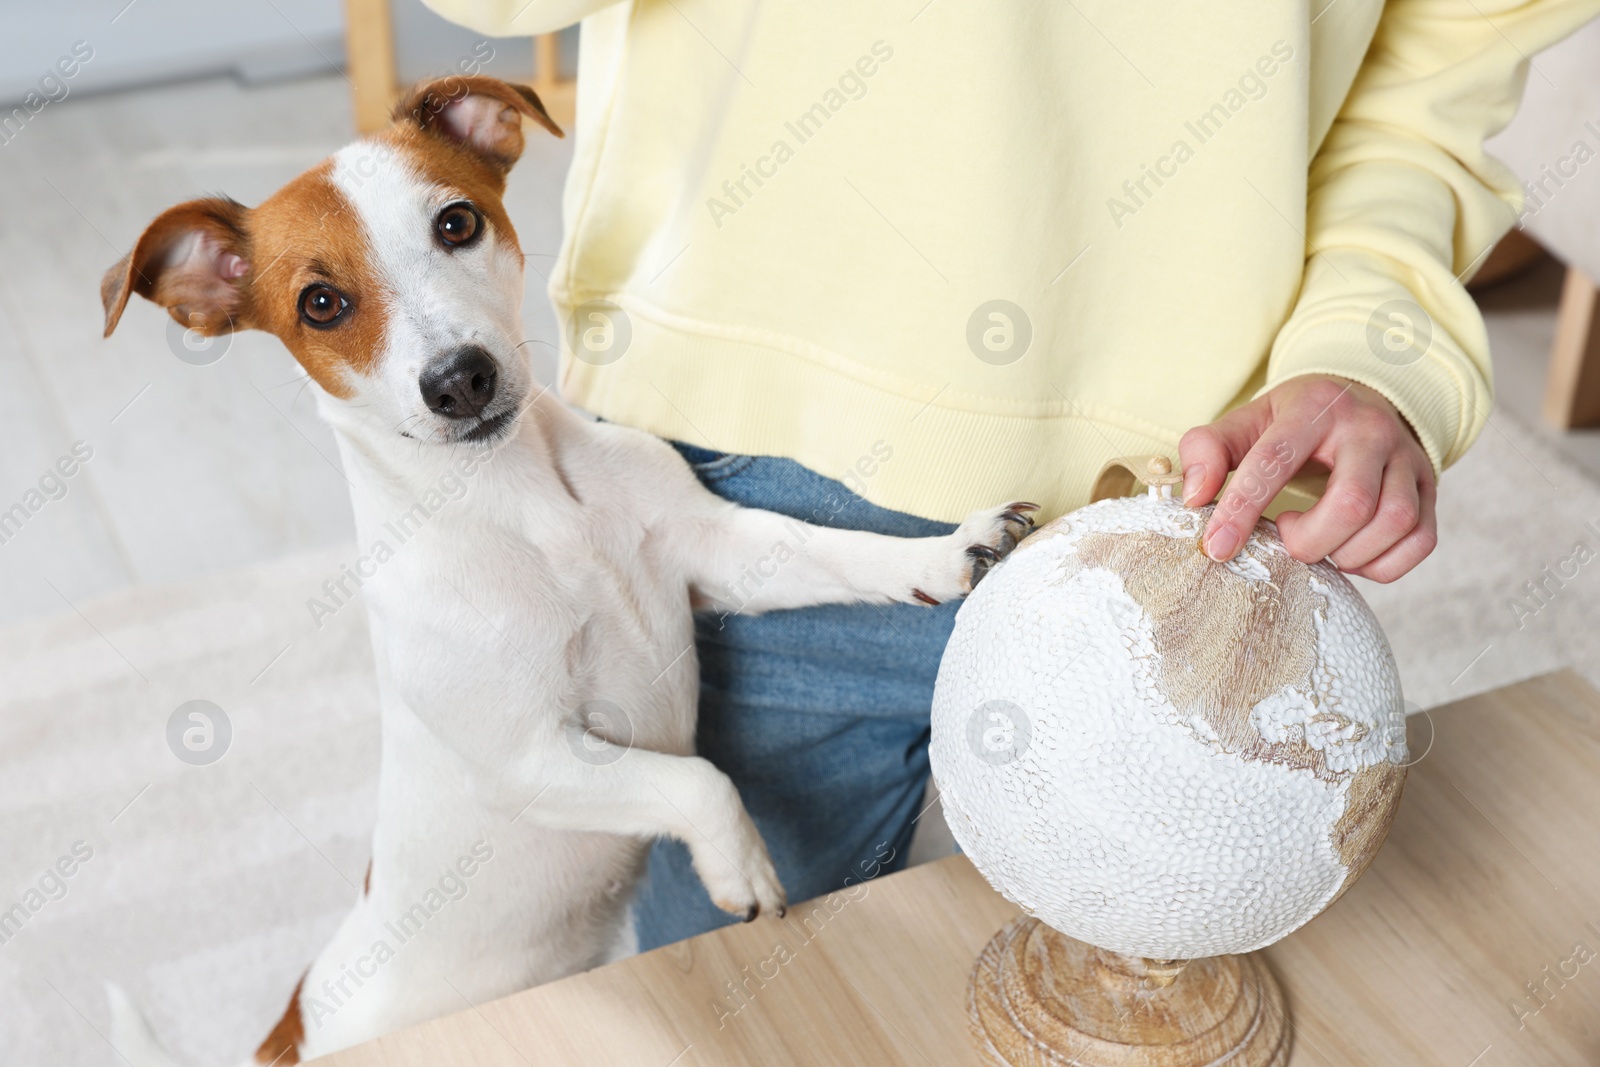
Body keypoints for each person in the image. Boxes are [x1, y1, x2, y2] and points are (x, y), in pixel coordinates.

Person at [424, 0, 1600, 948]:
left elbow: (1417, 99)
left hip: (1187, 515)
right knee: (743, 1008)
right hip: (739, 482)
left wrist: (1366, 351)